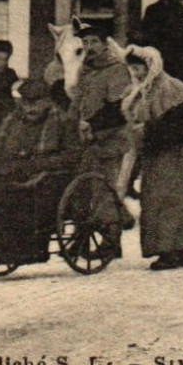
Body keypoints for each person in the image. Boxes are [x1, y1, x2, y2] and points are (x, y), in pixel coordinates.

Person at [0, 75, 81, 267]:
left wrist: (41, 163)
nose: (30, 109)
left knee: (13, 197)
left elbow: (73, 155)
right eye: (26, 103)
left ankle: (21, 250)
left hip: (50, 177)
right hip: (15, 171)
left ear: (47, 101)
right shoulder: (14, 120)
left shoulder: (62, 121)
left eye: (36, 103)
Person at [122, 47, 183, 271]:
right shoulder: (140, 92)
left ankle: (177, 250)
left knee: (174, 201)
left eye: (140, 68)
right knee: (155, 200)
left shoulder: (171, 88)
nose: (137, 74)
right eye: (133, 69)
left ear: (152, 66)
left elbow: (178, 123)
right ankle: (171, 248)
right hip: (156, 153)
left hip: (176, 153)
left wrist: (148, 130)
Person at [69, 25, 136, 227]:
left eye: (94, 42)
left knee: (103, 191)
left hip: (109, 139)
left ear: (105, 44)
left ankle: (111, 242)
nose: (89, 47)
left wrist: (92, 127)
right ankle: (90, 234)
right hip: (87, 139)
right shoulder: (85, 70)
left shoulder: (116, 69)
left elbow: (117, 109)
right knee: (82, 189)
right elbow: (77, 102)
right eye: (85, 42)